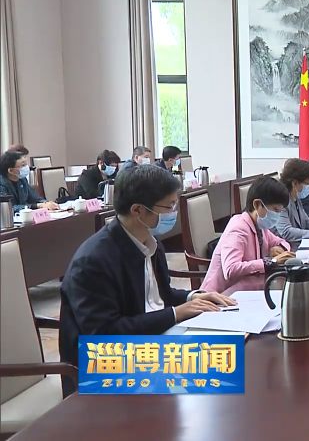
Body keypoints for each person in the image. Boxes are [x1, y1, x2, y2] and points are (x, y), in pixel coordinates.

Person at [58, 164, 235, 395]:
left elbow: (161, 295)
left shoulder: (150, 242)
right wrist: (176, 313)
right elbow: (105, 334)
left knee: (228, 357)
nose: (174, 213)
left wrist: (194, 297)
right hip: (103, 365)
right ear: (138, 210)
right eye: (169, 206)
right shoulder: (93, 261)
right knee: (217, 372)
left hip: (147, 345)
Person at [200, 177, 296, 293]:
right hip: (219, 295)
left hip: (246, 290)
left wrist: (279, 248)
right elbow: (231, 269)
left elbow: (282, 242)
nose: (277, 216)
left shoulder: (260, 226)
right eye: (275, 210)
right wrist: (271, 262)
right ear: (257, 204)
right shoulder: (238, 228)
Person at [275, 158, 309, 250]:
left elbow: (306, 222)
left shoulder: (296, 197)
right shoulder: (280, 200)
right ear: (295, 183)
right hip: (286, 249)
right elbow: (286, 231)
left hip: (299, 245)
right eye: (307, 183)